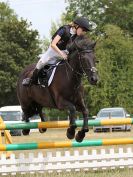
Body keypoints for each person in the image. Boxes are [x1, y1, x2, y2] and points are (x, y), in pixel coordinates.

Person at [22, 17, 91, 86]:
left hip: (65, 52)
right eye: (83, 30)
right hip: (54, 50)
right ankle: (31, 79)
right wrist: (61, 54)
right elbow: (53, 44)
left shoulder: (77, 36)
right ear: (77, 26)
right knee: (42, 62)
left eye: (85, 31)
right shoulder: (64, 30)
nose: (84, 32)